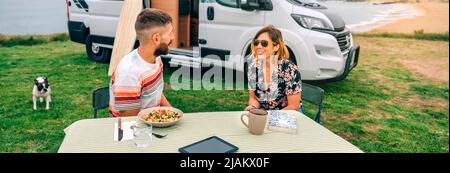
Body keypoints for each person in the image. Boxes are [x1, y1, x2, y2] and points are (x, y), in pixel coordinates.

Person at [109, 8, 175, 117]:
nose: (173, 37)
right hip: (134, 129)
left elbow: (156, 92)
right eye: (170, 33)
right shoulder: (129, 73)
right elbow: (129, 121)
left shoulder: (156, 58)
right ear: (156, 39)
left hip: (152, 121)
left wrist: (172, 112)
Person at [245, 25, 302, 111]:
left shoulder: (289, 69)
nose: (259, 46)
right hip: (265, 113)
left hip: (288, 115)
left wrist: (270, 118)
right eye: (256, 42)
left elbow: (293, 106)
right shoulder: (253, 67)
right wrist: (252, 108)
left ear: (276, 47)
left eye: (264, 43)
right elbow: (254, 99)